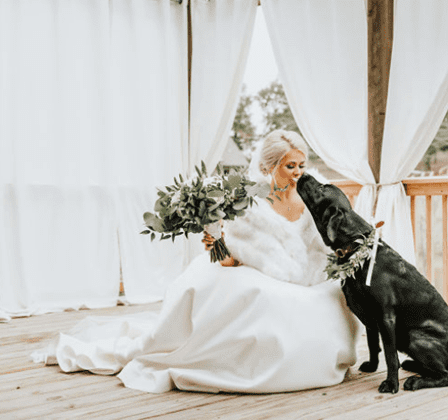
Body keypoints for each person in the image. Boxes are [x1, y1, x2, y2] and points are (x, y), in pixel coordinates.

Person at [32, 130, 360, 394]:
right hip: (254, 269)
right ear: (268, 167)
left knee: (332, 294)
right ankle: (247, 362)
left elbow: (326, 242)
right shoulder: (250, 203)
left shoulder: (315, 198)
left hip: (307, 272)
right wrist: (220, 245)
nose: (299, 173)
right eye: (291, 166)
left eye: (302, 165)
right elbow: (238, 249)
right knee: (258, 295)